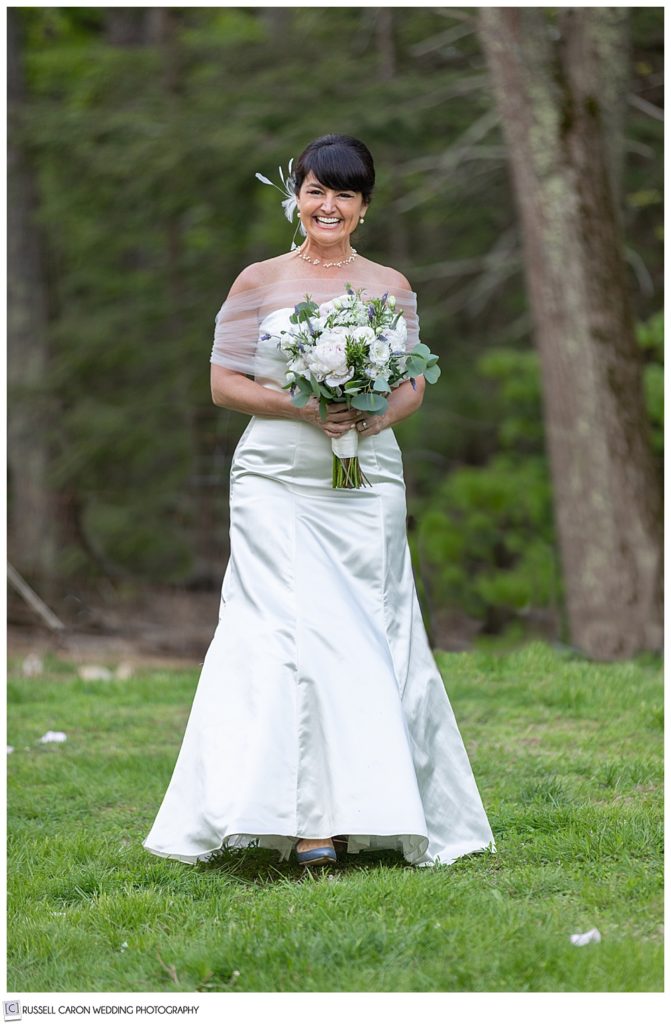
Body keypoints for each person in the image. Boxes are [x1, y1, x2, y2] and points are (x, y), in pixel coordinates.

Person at [142, 134, 495, 869]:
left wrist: (368, 418)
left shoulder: (391, 286)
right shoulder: (257, 281)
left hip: (364, 477)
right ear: (295, 198)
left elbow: (411, 383)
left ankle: (373, 809)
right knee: (284, 629)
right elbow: (223, 383)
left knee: (369, 626)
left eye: (344, 194)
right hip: (275, 473)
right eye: (315, 191)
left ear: (363, 208)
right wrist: (302, 409)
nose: (327, 206)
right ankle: (297, 821)